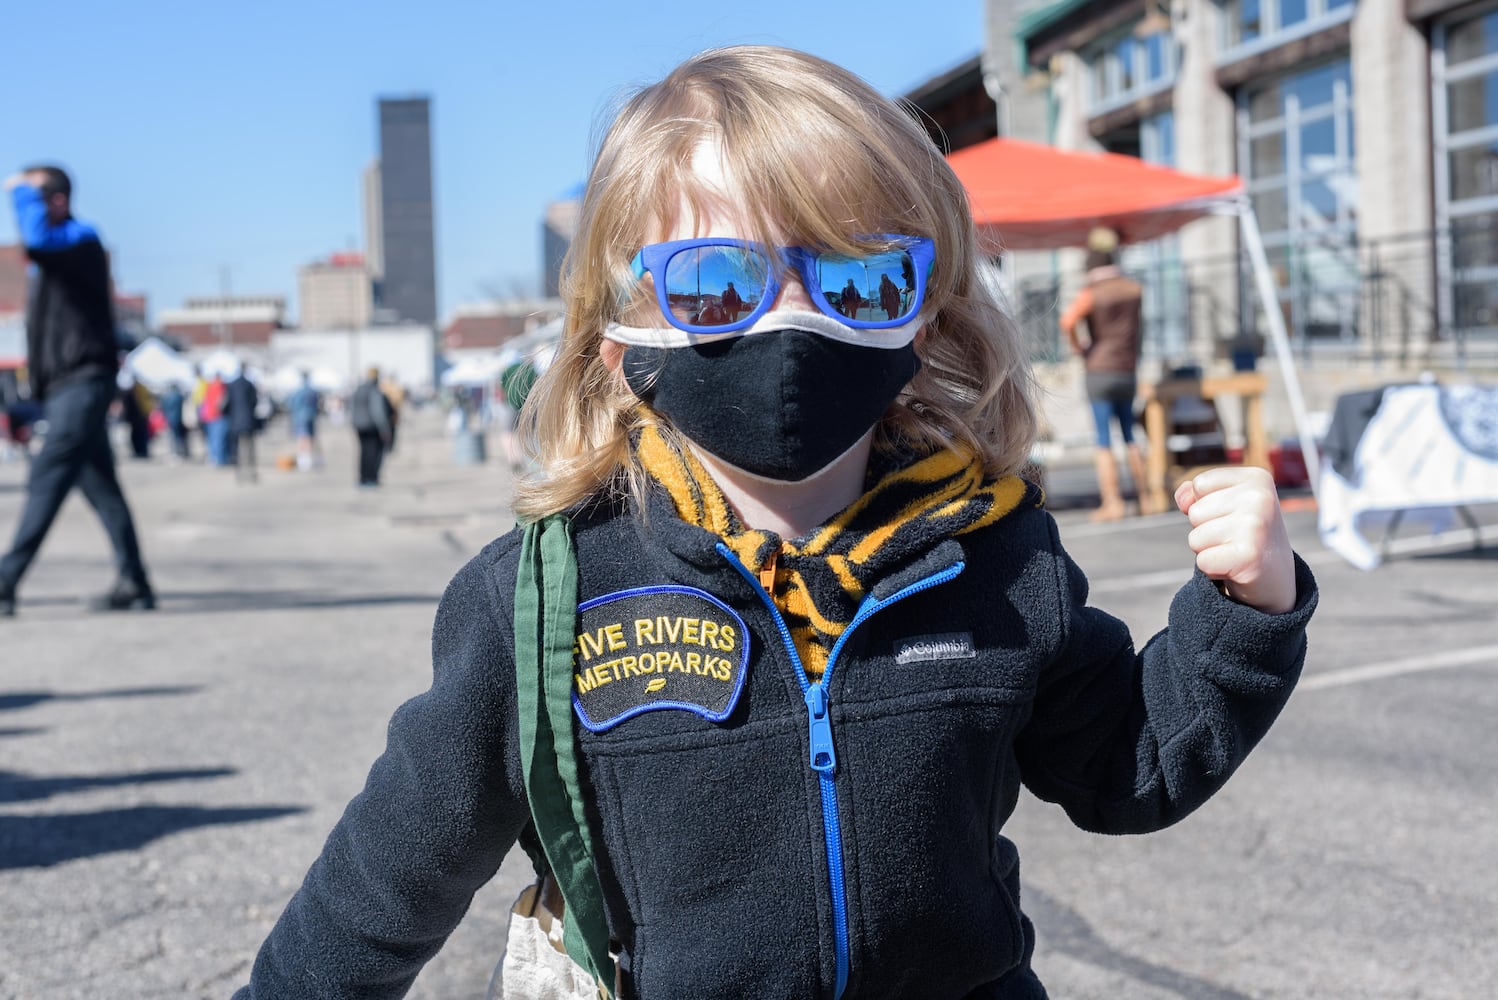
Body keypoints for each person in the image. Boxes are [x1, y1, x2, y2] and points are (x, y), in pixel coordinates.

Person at [236, 47, 1317, 999]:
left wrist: (1242, 614)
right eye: (713, 284)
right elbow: (388, 875)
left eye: (858, 278)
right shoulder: (546, 592)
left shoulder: (998, 552)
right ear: (621, 335)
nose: (791, 320)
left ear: (922, 319)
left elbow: (1126, 763)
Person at [0, 166, 154, 615]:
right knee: (103, 489)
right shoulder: (60, 255)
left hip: (82, 382)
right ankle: (136, 582)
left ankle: (6, 579)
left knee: (47, 477)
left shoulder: (79, 239)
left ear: (57, 200)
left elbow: (36, 241)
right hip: (70, 385)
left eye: (36, 193)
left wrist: (22, 193)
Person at [1060, 229, 1155, 521]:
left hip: (1099, 371)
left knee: (1103, 439)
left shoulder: (1091, 293)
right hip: (1127, 371)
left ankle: (1112, 502)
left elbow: (1068, 321)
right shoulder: (1133, 289)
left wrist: (1081, 348)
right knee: (1130, 435)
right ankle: (1145, 498)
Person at [349, 366, 393, 487]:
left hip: (359, 426)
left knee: (363, 452)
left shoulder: (358, 389)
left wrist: (354, 423)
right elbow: (377, 411)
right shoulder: (374, 390)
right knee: (372, 452)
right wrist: (384, 428)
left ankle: (363, 478)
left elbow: (351, 408)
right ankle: (371, 478)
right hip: (372, 427)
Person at [224, 366, 260, 483]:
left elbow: (227, 403)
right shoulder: (249, 384)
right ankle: (251, 471)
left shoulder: (232, 385)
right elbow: (254, 401)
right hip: (248, 420)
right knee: (249, 447)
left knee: (236, 448)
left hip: (235, 420)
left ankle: (239, 472)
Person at [285, 371, 321, 470]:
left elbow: (291, 404)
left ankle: (304, 460)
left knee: (302, 438)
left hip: (300, 417)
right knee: (309, 437)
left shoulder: (298, 390)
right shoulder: (312, 390)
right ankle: (307, 459)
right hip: (310, 416)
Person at [157, 381, 190, 460]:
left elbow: (162, 407)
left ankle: (174, 452)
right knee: (178, 436)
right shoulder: (179, 396)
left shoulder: (166, 396)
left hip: (169, 418)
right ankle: (179, 452)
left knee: (172, 436)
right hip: (178, 418)